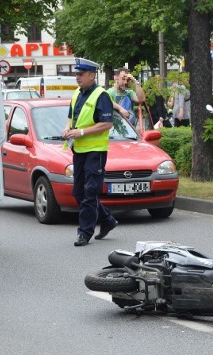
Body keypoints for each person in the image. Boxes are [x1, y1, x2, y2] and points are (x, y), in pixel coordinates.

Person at [62, 58, 118, 247]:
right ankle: (108, 220)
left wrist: (82, 132)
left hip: (96, 150)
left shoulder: (101, 95)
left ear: (92, 75)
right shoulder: (77, 93)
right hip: (79, 149)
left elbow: (107, 123)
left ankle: (84, 233)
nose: (77, 77)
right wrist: (67, 129)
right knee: (79, 192)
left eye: (81, 74)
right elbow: (71, 117)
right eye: (76, 74)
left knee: (89, 192)